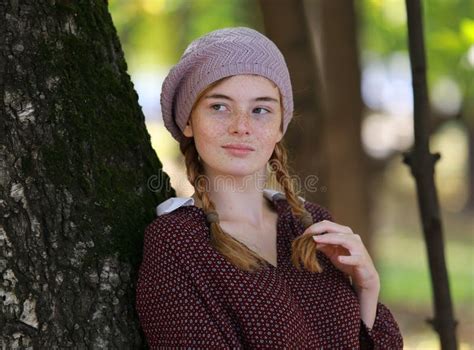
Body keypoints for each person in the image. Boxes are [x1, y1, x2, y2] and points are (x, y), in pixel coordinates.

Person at [136, 27, 403, 349]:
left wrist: (367, 287)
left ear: (280, 126)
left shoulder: (311, 225)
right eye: (219, 106)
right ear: (189, 121)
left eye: (260, 110)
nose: (241, 126)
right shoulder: (177, 243)